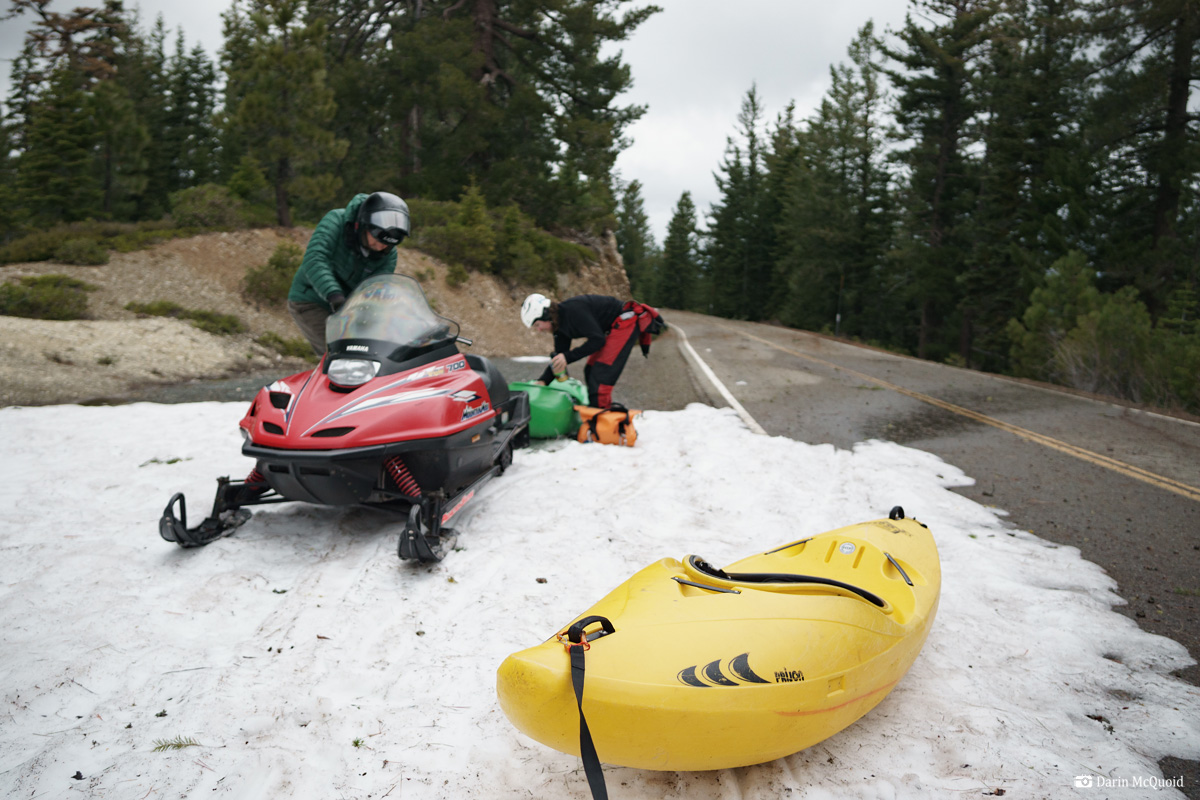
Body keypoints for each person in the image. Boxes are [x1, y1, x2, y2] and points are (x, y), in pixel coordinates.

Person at [287, 191, 411, 354]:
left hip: (348, 309)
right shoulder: (336, 221)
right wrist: (334, 295)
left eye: (387, 245)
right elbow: (315, 259)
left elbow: (375, 288)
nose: (381, 247)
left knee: (367, 352)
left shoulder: (389, 255)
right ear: (364, 226)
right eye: (377, 239)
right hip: (311, 299)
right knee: (337, 353)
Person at [521, 292, 664, 409]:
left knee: (600, 374)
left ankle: (600, 421)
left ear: (546, 315)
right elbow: (560, 357)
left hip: (625, 321)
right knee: (590, 369)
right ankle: (597, 412)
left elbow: (597, 340)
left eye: (538, 325)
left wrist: (568, 357)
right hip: (609, 329)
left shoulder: (573, 312)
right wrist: (543, 381)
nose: (538, 330)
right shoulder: (559, 327)